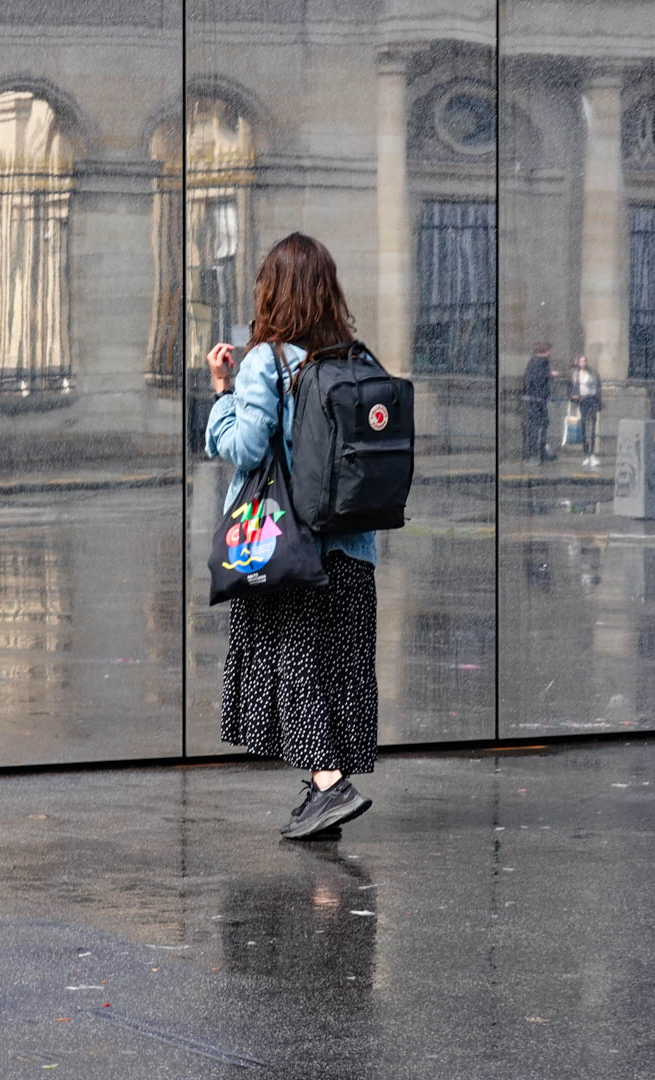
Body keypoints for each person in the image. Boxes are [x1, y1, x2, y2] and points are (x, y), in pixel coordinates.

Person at [203, 233, 380, 841]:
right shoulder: (356, 358)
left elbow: (245, 448)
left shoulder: (268, 361)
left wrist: (222, 394)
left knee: (293, 662)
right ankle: (321, 796)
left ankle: (329, 786)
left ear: (273, 292)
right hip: (352, 545)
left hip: (289, 545)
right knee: (337, 666)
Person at [521, 343, 558, 463]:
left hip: (534, 399)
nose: (550, 353)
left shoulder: (533, 362)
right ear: (546, 352)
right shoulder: (541, 362)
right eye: (549, 351)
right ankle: (535, 454)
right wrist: (550, 375)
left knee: (537, 426)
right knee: (538, 427)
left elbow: (529, 379)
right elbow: (537, 379)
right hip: (538, 400)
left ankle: (534, 454)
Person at [567, 353, 603, 468]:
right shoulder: (575, 374)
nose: (583, 363)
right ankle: (587, 453)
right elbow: (570, 387)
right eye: (581, 361)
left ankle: (592, 453)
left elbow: (597, 387)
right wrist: (573, 396)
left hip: (591, 400)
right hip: (582, 401)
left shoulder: (592, 373)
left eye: (584, 361)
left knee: (592, 427)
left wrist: (597, 400)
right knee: (583, 428)